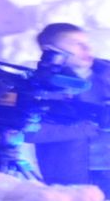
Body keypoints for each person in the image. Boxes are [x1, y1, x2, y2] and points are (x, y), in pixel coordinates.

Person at [27, 22, 110, 187]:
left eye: (86, 43)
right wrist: (82, 129)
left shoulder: (106, 74)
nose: (86, 49)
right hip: (71, 178)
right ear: (50, 49)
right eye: (76, 44)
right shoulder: (38, 85)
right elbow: (29, 131)